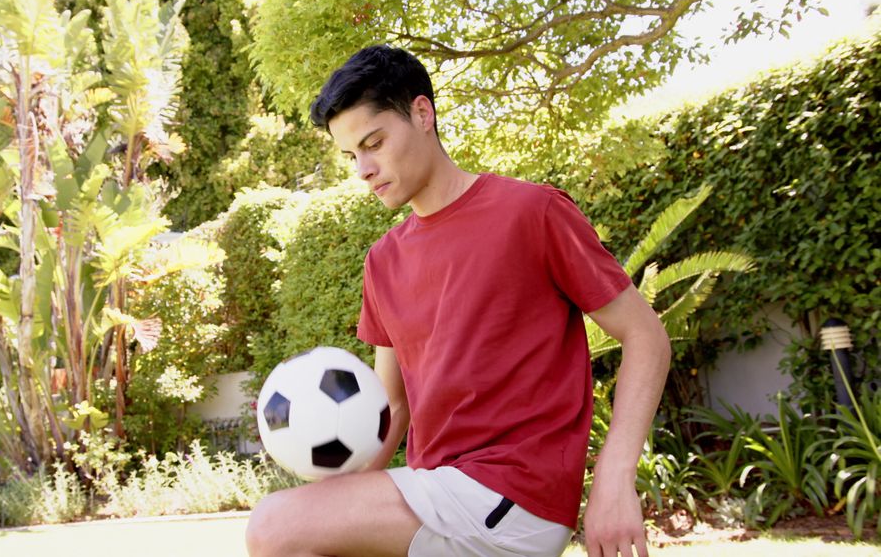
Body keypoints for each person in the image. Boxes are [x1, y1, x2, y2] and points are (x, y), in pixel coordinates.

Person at [245, 44, 671, 557]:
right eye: (351, 156)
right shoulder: (383, 261)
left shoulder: (531, 212)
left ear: (422, 114)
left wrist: (614, 478)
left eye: (374, 143)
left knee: (273, 525)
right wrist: (333, 507)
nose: (363, 169)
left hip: (512, 494)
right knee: (297, 531)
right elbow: (393, 405)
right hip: (440, 496)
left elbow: (645, 335)